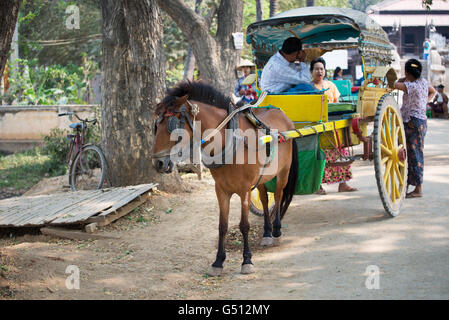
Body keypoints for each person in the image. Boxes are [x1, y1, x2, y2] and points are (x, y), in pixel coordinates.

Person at [310, 57, 357, 194]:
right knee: (318, 156)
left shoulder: (331, 85)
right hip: (317, 126)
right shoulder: (309, 87)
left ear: (325, 71)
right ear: (311, 71)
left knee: (342, 152)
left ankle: (343, 184)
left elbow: (338, 103)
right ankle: (317, 186)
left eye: (321, 69)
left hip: (334, 124)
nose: (319, 71)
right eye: (316, 69)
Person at [394, 59, 435, 198]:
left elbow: (394, 84)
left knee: (411, 154)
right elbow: (433, 91)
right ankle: (410, 186)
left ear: (407, 72)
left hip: (412, 122)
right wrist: (425, 102)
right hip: (421, 121)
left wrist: (400, 77)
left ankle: (417, 189)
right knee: (415, 153)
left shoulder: (410, 86)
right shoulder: (423, 82)